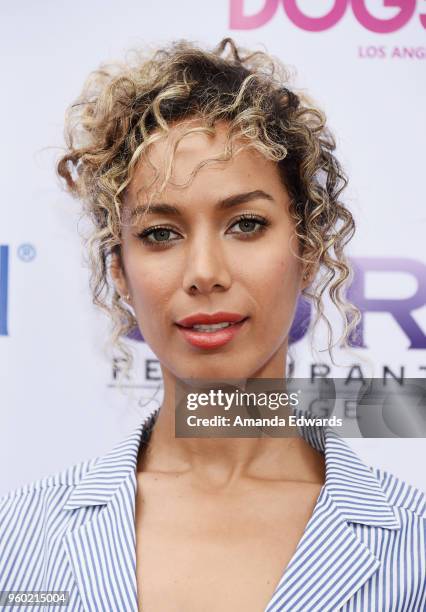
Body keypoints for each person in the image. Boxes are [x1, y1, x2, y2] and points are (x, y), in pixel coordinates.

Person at [0, 38, 425, 612]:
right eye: (160, 233)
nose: (204, 273)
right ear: (119, 271)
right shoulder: (20, 539)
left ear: (308, 249)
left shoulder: (413, 545)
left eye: (246, 223)